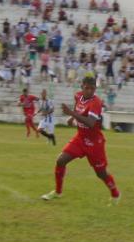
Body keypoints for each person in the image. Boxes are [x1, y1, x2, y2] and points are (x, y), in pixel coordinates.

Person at [41, 77, 120, 205]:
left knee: (101, 173)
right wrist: (72, 119)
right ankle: (58, 192)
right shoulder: (78, 96)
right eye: (86, 88)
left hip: (95, 143)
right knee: (61, 160)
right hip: (81, 138)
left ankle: (115, 194)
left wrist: (71, 114)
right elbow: (80, 109)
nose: (89, 91)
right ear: (82, 87)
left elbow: (90, 122)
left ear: (95, 89)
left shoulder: (96, 103)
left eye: (92, 89)